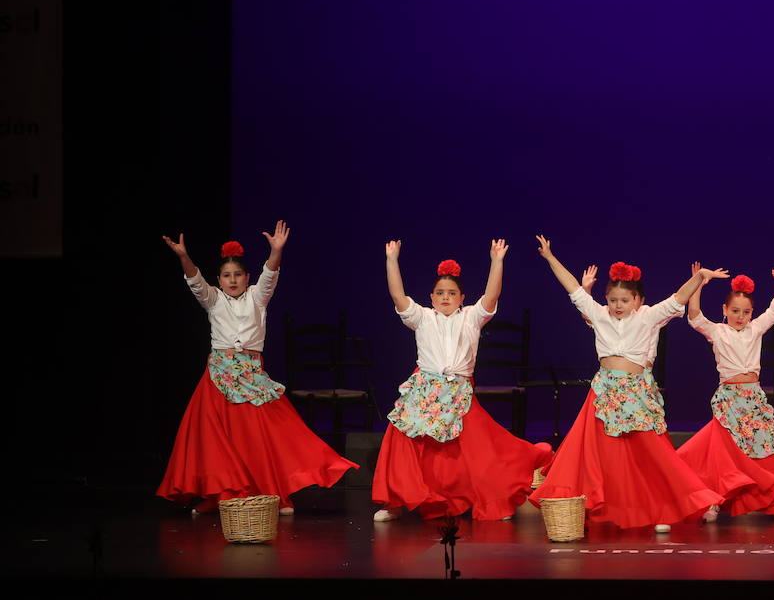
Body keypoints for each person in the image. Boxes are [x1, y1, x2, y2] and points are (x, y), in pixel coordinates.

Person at [157, 225, 357, 514]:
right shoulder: (214, 299)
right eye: (227, 275)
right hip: (220, 376)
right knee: (219, 441)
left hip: (251, 374)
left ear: (247, 277)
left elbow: (269, 275)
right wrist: (184, 257)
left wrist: (276, 251)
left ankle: (273, 492)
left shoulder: (257, 297)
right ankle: (223, 493)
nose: (233, 280)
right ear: (219, 280)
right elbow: (195, 281)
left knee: (266, 433)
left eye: (238, 274)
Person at [528, 236, 724, 531]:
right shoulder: (599, 315)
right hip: (605, 392)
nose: (617, 306)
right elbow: (572, 288)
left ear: (637, 300)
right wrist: (550, 257)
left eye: (624, 301)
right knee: (600, 455)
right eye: (612, 300)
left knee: (652, 452)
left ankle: (674, 505)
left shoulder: (648, 316)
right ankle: (596, 505)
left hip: (636, 392)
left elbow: (678, 298)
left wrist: (699, 277)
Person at [372, 239, 552, 521]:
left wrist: (497, 261)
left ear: (461, 297)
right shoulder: (422, 317)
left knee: (480, 446)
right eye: (440, 293)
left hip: (458, 391)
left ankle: (496, 497)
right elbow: (398, 295)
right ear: (431, 297)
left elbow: (491, 296)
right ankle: (395, 501)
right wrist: (391, 260)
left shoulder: (471, 317)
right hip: (425, 389)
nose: (445, 297)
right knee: (401, 439)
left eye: (452, 293)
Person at [677, 268, 774, 522]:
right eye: (735, 311)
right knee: (724, 454)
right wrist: (698, 284)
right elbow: (695, 316)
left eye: (746, 312)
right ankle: (713, 501)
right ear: (725, 309)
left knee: (766, 448)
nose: (740, 317)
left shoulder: (756, 329)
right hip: (729, 400)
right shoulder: (718, 332)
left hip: (752, 399)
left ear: (751, 313)